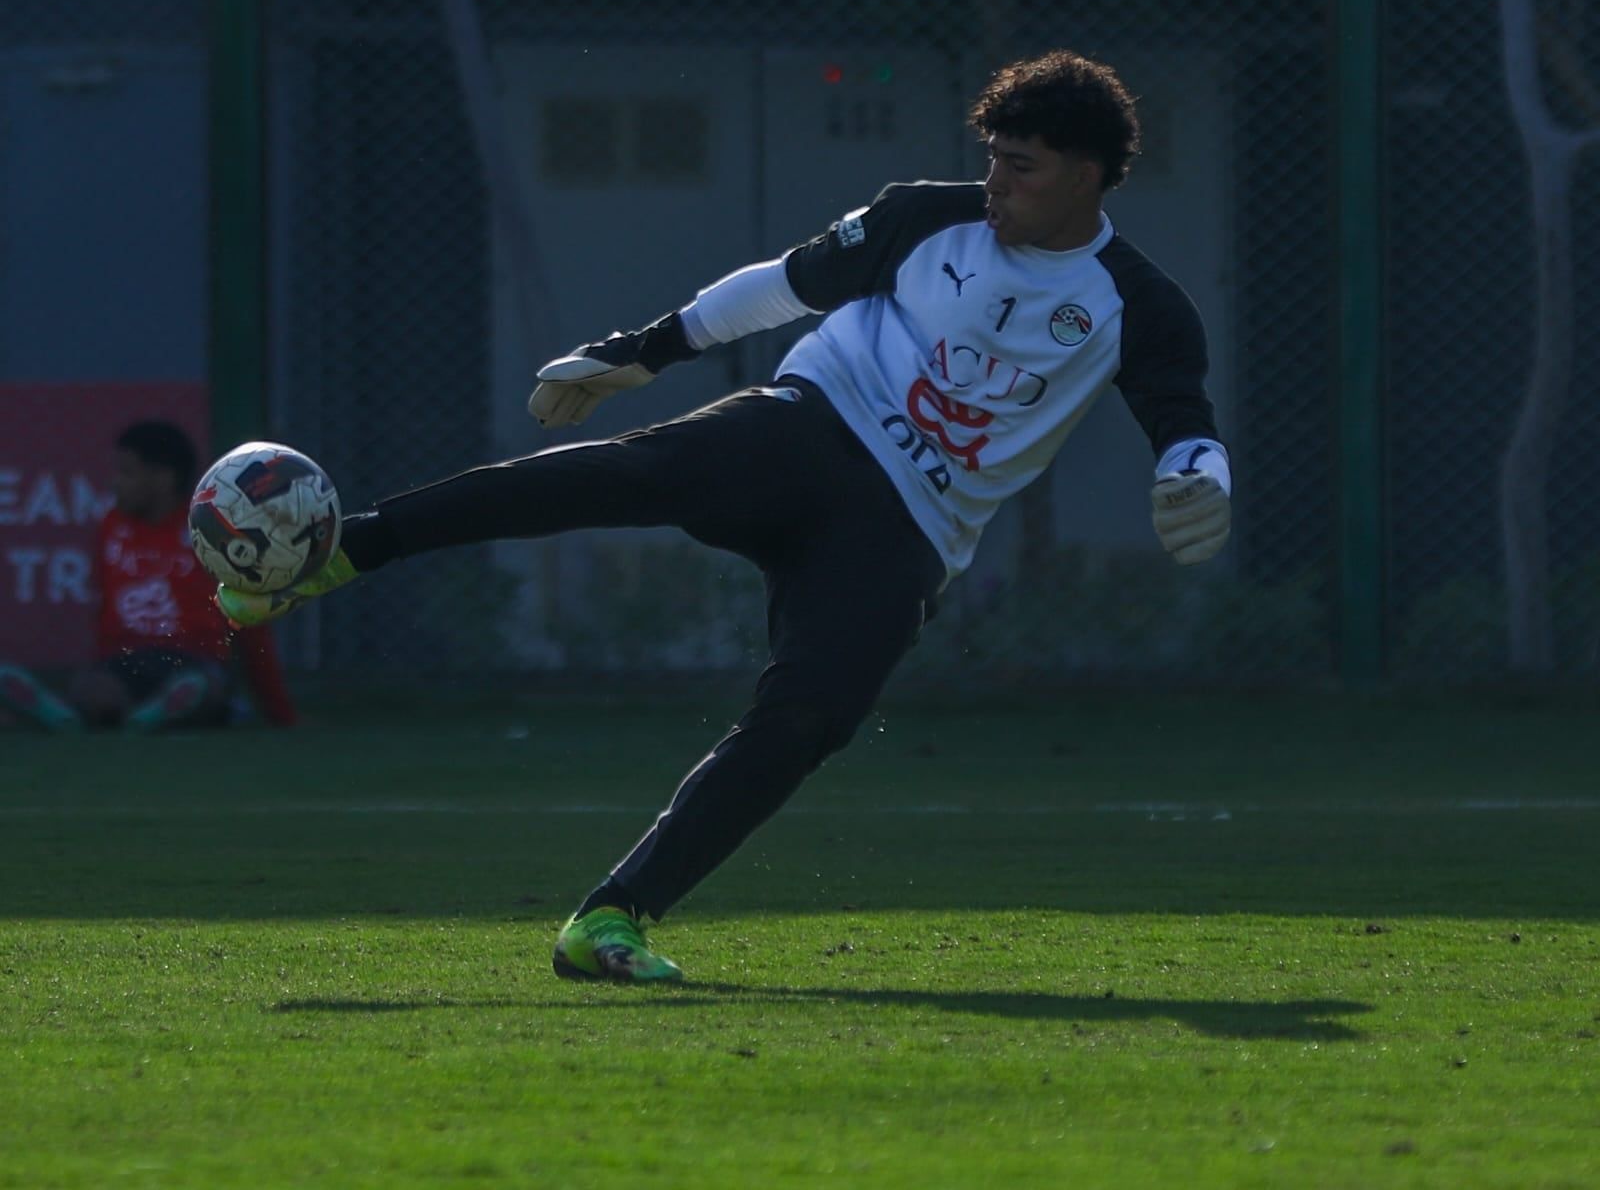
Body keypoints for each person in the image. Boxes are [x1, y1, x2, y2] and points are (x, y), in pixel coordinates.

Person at [216, 50, 1231, 982]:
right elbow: (784, 285)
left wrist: (1199, 480)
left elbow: (1183, 420)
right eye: (993, 159)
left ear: (1087, 174)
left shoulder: (1138, 305)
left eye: (1021, 167)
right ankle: (342, 554)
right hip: (809, 428)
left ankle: (610, 919)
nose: (995, 182)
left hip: (908, 532)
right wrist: (643, 350)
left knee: (809, 718)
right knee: (619, 476)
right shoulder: (929, 217)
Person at [0, 421, 297, 733]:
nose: (115, 483)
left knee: (204, 687)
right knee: (95, 690)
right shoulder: (111, 526)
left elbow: (250, 624)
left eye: (127, 473)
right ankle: (91, 716)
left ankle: (145, 713)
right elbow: (105, 610)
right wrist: (102, 666)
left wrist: (280, 712)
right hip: (126, 658)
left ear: (164, 479)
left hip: (192, 658)